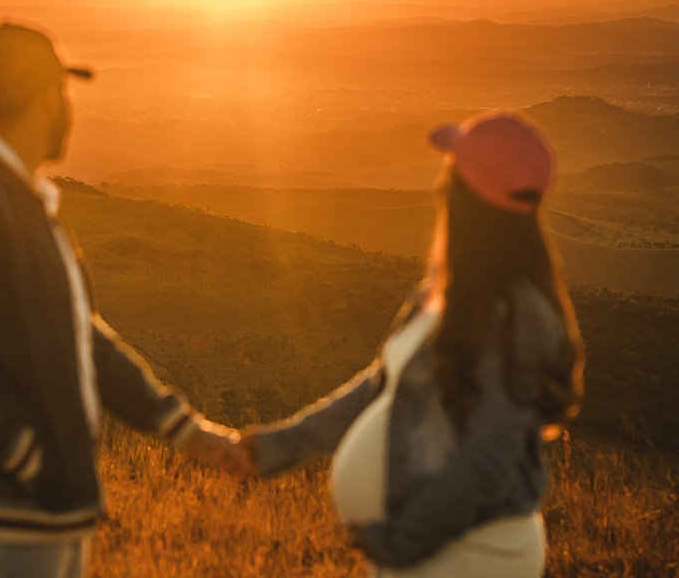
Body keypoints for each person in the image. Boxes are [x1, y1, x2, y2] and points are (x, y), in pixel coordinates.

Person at [0, 22, 253, 578]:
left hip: (45, 516)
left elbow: (84, 339)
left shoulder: (20, 206)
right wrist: (20, 455)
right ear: (46, 98)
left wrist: (186, 432)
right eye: (64, 93)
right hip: (7, 518)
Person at [240, 110, 585, 577]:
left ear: (462, 195)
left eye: (450, 174)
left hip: (471, 554)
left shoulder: (517, 316)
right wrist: (270, 450)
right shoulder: (445, 294)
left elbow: (488, 459)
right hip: (424, 548)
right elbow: (378, 389)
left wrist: (400, 540)